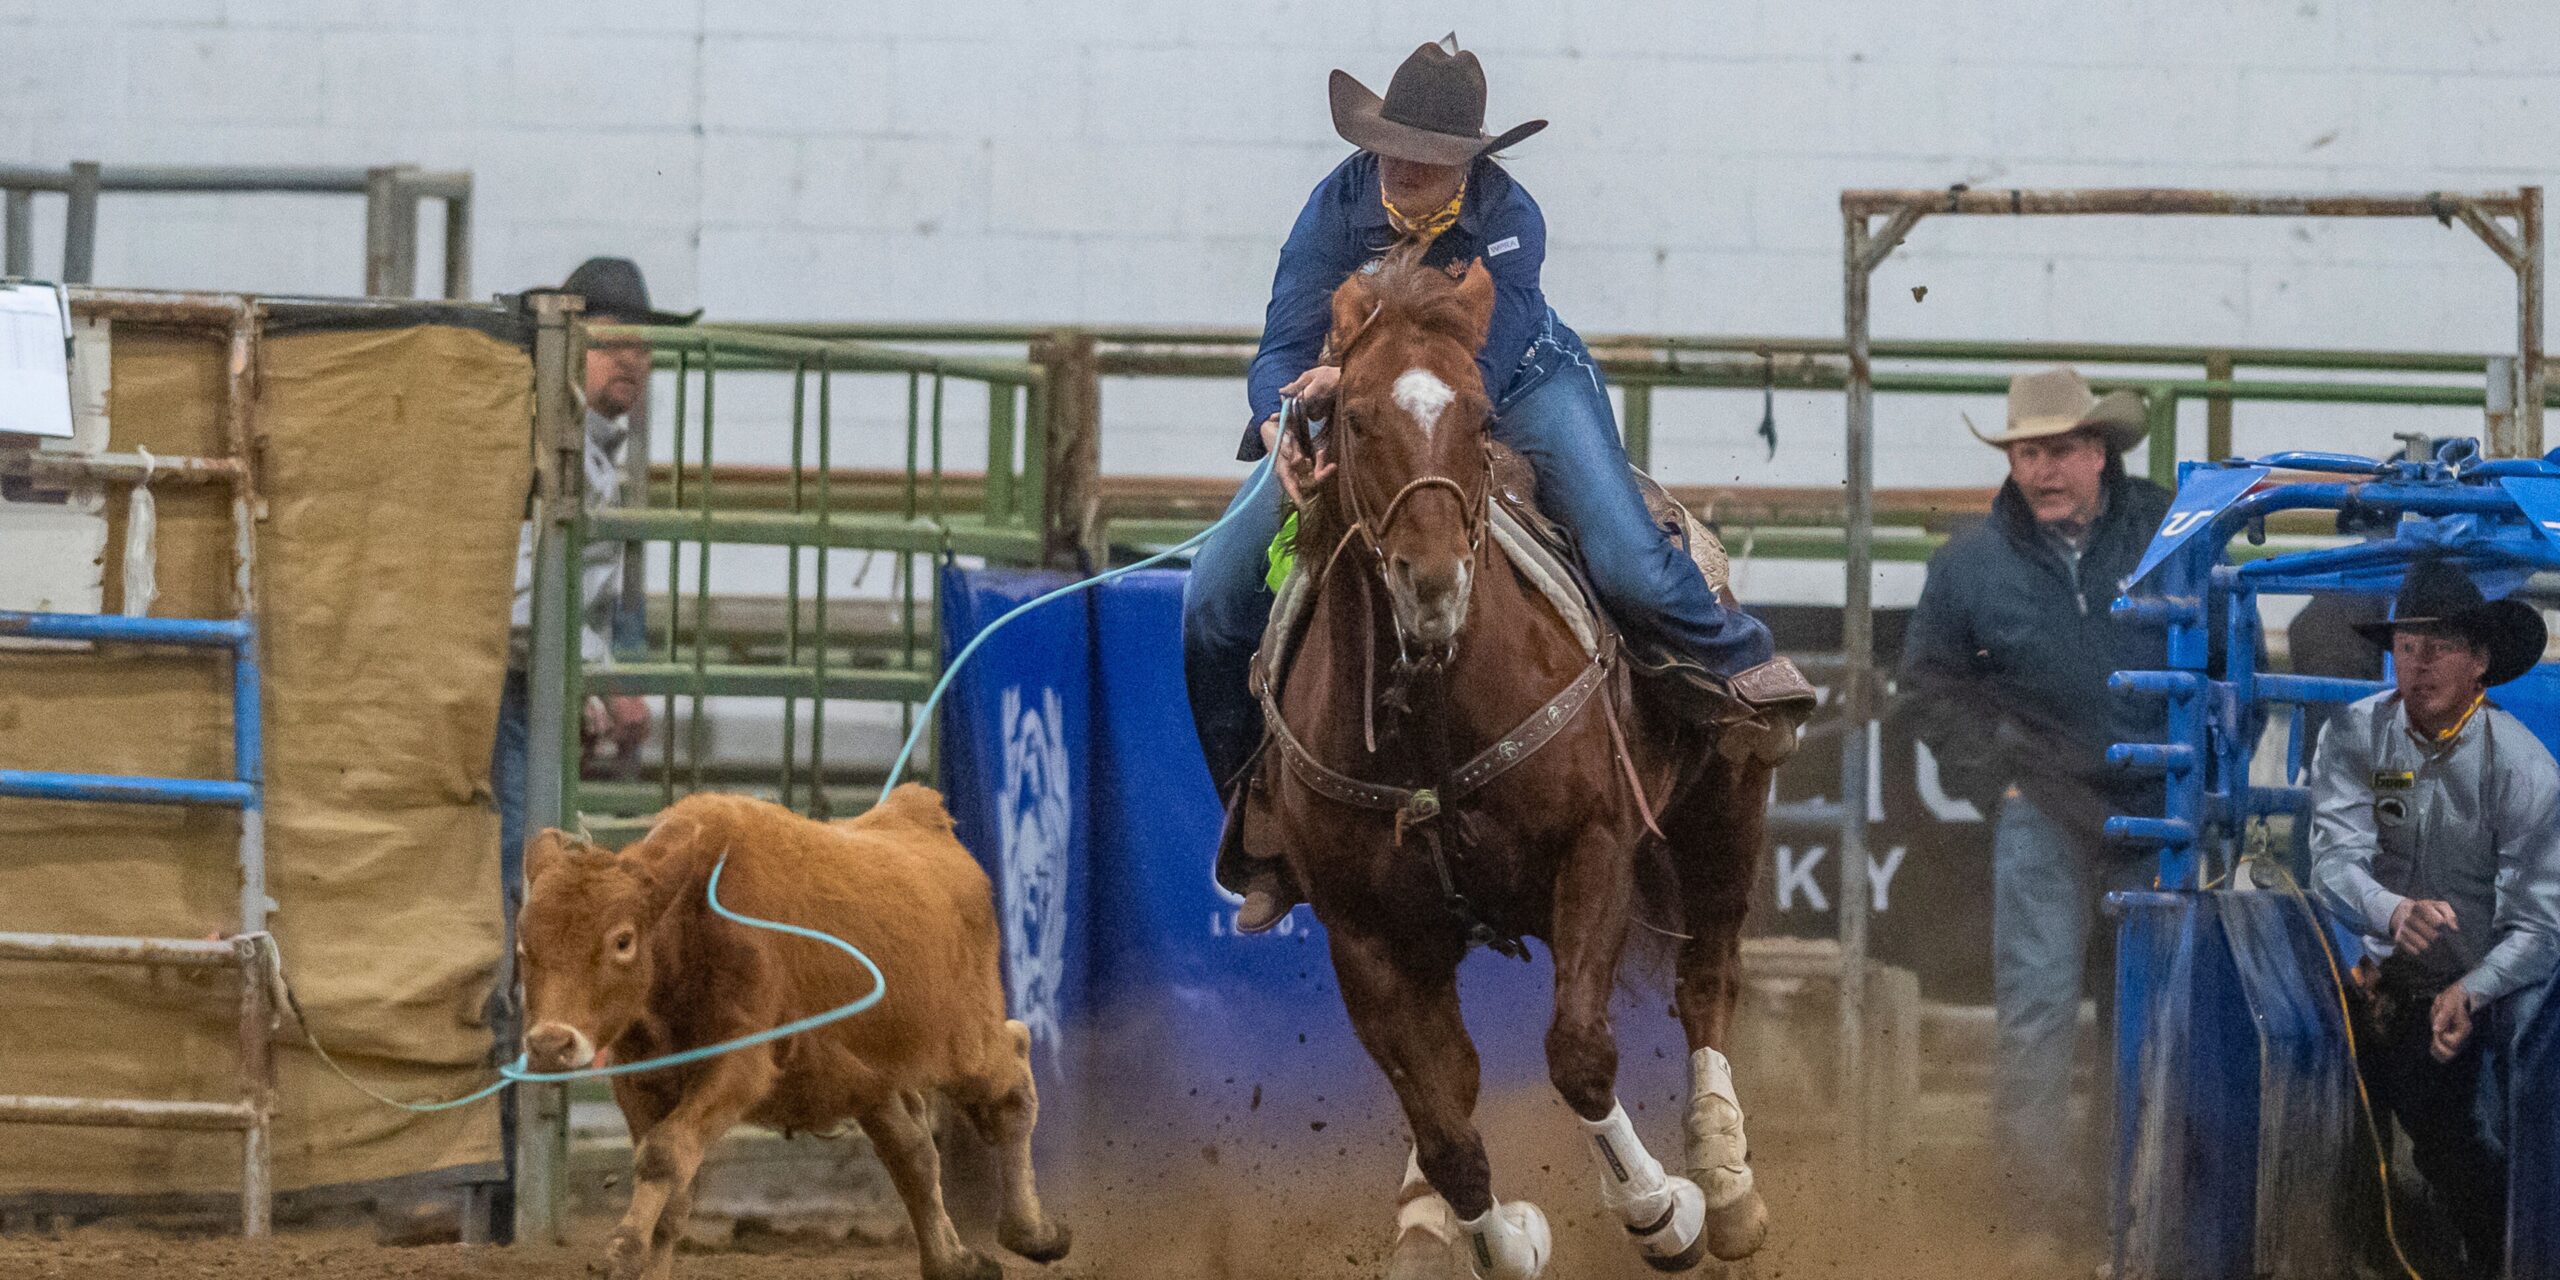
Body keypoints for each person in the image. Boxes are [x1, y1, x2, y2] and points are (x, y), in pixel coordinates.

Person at [1181, 36, 1811, 933]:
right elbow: (1282, 342)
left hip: (1521, 385)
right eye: (1392, 147)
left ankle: (1736, 662)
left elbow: (1492, 348)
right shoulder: (1336, 205)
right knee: (1212, 596)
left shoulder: (1511, 216)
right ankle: (1263, 823)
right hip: (1372, 406)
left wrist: (1360, 380)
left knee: (1626, 558)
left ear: (1468, 162)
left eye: (1429, 155)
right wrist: (1279, 422)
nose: (1405, 167)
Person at [1894, 366, 2175, 1267]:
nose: (2042, 471)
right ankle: (2038, 1221)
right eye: (2026, 454)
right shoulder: (1971, 563)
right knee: (2039, 1013)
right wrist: (1996, 782)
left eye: (2059, 451)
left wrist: (2200, 774)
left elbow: (2223, 652)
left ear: (2098, 452)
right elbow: (1929, 683)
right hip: (2046, 804)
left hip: (2157, 805)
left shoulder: (2172, 532)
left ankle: (2130, 1214)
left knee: (2144, 1016)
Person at [2310, 559, 2560, 1278]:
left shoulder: (2522, 768)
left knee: (2455, 1132)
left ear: (2479, 660)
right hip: (2388, 974)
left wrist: (2471, 990)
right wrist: (2390, 912)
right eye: (2406, 646)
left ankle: (2504, 1256)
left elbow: (2542, 926)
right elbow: (2332, 860)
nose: (2417, 665)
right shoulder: (2356, 733)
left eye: (2439, 647)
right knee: (2349, 1106)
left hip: (2488, 982)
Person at [492, 257, 695, 907]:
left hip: (534, 683)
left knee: (534, 852)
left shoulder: (587, 447)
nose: (630, 358)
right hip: (511, 687)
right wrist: (604, 677)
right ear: (570, 347)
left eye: (642, 345)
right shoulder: (544, 443)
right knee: (525, 856)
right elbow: (521, 595)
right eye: (610, 341)